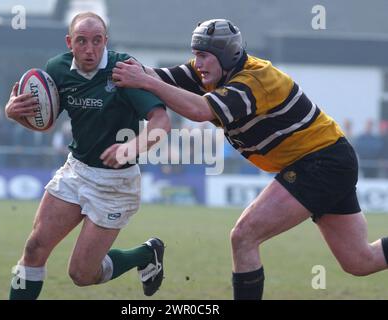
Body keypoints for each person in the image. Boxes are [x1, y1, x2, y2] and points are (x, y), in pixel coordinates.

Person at [112, 19, 388, 300]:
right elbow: (158, 77)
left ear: (227, 56)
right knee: (360, 261)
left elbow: (198, 110)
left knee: (244, 237)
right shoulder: (210, 70)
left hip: (320, 163)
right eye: (196, 54)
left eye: (204, 56)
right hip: (329, 160)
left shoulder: (253, 80)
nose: (198, 63)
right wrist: (114, 65)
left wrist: (143, 80)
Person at [4, 12, 170, 300]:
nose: (90, 49)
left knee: (81, 274)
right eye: (82, 41)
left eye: (97, 41)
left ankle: (146, 254)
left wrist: (131, 148)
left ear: (106, 41)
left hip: (116, 184)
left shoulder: (124, 70)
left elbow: (161, 122)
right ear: (70, 42)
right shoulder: (57, 69)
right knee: (34, 249)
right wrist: (13, 113)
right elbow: (45, 124)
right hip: (76, 170)